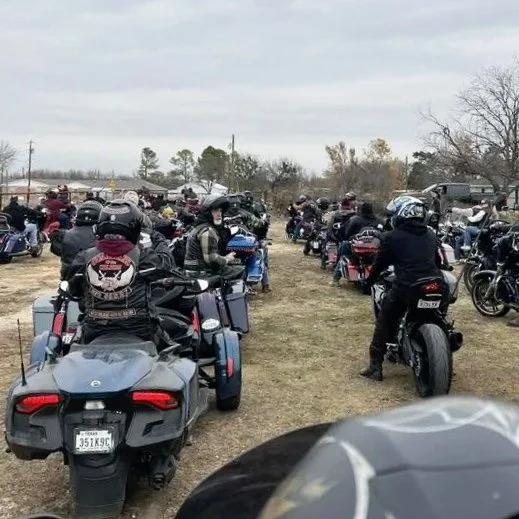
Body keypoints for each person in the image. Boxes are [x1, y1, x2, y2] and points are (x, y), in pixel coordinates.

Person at [67, 199, 175, 343]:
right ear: (135, 227)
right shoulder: (142, 257)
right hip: (138, 329)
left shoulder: (83, 257)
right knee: (170, 353)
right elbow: (166, 264)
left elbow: (74, 291)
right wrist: (158, 238)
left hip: (95, 329)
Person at [361, 196, 444, 381]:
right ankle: (445, 352)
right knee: (439, 316)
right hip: (436, 284)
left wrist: (367, 283)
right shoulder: (431, 234)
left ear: (401, 214)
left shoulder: (391, 237)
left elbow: (380, 264)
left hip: (407, 287)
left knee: (385, 317)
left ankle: (375, 365)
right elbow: (439, 262)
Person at [184, 194, 239, 276]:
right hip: (201, 273)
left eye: (220, 211)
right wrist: (227, 259)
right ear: (208, 213)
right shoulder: (207, 230)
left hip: (195, 271)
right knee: (240, 270)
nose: (219, 214)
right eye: (215, 211)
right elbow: (210, 258)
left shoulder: (199, 226)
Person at [330, 202, 384, 285]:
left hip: (359, 247)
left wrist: (353, 238)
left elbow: (347, 234)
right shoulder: (380, 220)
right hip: (375, 248)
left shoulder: (356, 219)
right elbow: (386, 233)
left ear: (361, 210)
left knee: (344, 249)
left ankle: (335, 279)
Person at [50, 200, 102, 280]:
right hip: (96, 279)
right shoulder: (104, 236)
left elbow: (56, 250)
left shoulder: (62, 235)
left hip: (69, 277)